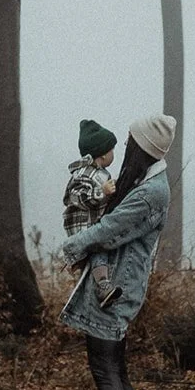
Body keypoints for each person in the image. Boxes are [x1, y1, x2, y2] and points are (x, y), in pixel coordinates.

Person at [59, 113, 176, 390]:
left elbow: (111, 230)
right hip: (120, 287)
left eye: (129, 143)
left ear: (143, 149)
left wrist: (73, 245)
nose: (124, 149)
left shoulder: (150, 193)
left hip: (116, 292)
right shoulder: (147, 183)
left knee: (106, 372)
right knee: (117, 373)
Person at [62, 118, 122, 308]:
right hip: (83, 228)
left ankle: (98, 289)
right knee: (98, 251)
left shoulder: (101, 174)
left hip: (93, 225)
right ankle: (103, 287)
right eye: (111, 150)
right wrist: (101, 192)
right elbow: (76, 198)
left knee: (100, 251)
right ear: (102, 154)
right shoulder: (83, 175)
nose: (114, 154)